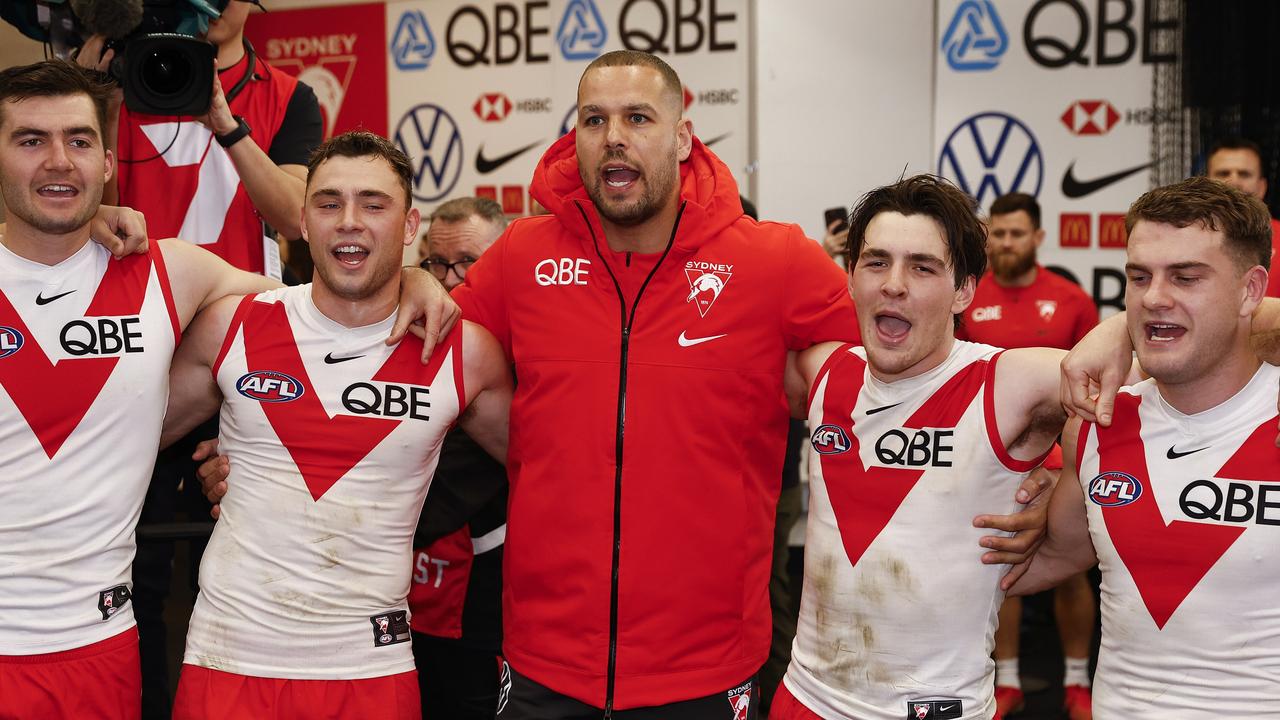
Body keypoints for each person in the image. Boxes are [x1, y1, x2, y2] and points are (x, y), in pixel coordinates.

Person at [0, 60, 453, 720]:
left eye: (78, 140)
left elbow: (329, 299)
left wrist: (414, 280)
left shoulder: (171, 273)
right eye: (30, 141)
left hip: (100, 649)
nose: (57, 163)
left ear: (107, 162)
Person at [160, 131, 512, 720]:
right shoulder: (233, 325)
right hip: (226, 659)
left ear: (408, 226)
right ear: (302, 219)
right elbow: (109, 436)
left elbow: (558, 472)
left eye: (374, 204)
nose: (349, 221)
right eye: (328, 204)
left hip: (369, 671)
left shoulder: (465, 354)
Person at [770, 174, 1126, 720]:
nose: (893, 284)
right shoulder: (821, 370)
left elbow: (1181, 363)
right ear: (851, 277)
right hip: (804, 700)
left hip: (934, 708)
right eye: (876, 262)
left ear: (963, 289)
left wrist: (1120, 328)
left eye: (922, 267)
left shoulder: (1006, 381)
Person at [1010, 176, 1280, 718]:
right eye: (1139, 277)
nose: (1155, 297)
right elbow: (1046, 559)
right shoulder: (1099, 421)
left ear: (1251, 290)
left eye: (1186, 277)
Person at [958, 192, 1098, 720]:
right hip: (993, 460)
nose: (1006, 243)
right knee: (1004, 568)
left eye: (1017, 233)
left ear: (1039, 237)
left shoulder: (1070, 299)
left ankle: (1078, 682)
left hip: (1065, 462)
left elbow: (1095, 387)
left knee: (1074, 573)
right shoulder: (967, 298)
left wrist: (1066, 461)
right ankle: (1008, 681)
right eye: (998, 233)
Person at [76, 0, 323, 275]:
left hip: (242, 299)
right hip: (140, 295)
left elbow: (294, 219)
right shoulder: (121, 81)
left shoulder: (287, 96)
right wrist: (99, 105)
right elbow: (89, 213)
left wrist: (229, 129)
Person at [409, 196, 510, 720]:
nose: (451, 280)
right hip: (405, 591)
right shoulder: (411, 329)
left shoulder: (518, 347)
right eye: (437, 264)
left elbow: (445, 482)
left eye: (468, 263)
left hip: (486, 595)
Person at [1205, 136, 1280, 297]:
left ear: (1262, 187)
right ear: (1205, 183)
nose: (1234, 181)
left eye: (1244, 174)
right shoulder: (1181, 238)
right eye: (1223, 173)